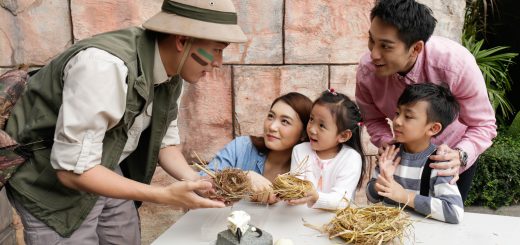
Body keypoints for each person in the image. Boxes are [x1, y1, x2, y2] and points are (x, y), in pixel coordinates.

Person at [4, 0, 247, 244]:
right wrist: (164, 195)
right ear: (182, 41)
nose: (219, 62)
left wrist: (195, 180)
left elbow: (165, 143)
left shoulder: (174, 70)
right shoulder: (103, 67)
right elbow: (71, 171)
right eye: (216, 49)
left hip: (103, 163)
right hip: (50, 180)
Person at [355, 0, 497, 201]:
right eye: (372, 40)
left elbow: (483, 124)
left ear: (416, 48)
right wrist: (390, 146)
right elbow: (373, 119)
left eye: (386, 46)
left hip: (447, 161)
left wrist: (460, 156)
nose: (373, 54)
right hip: (402, 163)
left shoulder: (456, 65)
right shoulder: (367, 71)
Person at [366, 83, 464, 224]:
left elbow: (454, 212)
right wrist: (381, 184)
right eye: (397, 113)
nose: (397, 121)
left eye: (408, 116)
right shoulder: (391, 153)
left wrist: (405, 197)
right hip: (388, 232)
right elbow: (371, 196)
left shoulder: (439, 162)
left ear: (433, 128)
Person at [204, 92, 313, 204]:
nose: (272, 126)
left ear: (304, 133)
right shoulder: (242, 147)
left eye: (285, 121)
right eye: (270, 116)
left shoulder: (309, 166)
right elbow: (201, 182)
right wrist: (243, 177)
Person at [287, 89, 367, 210]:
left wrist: (316, 197)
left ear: (343, 136)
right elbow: (295, 187)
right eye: (311, 119)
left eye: (322, 125)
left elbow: (341, 200)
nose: (312, 129)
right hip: (300, 219)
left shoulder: (350, 158)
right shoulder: (300, 150)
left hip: (335, 223)